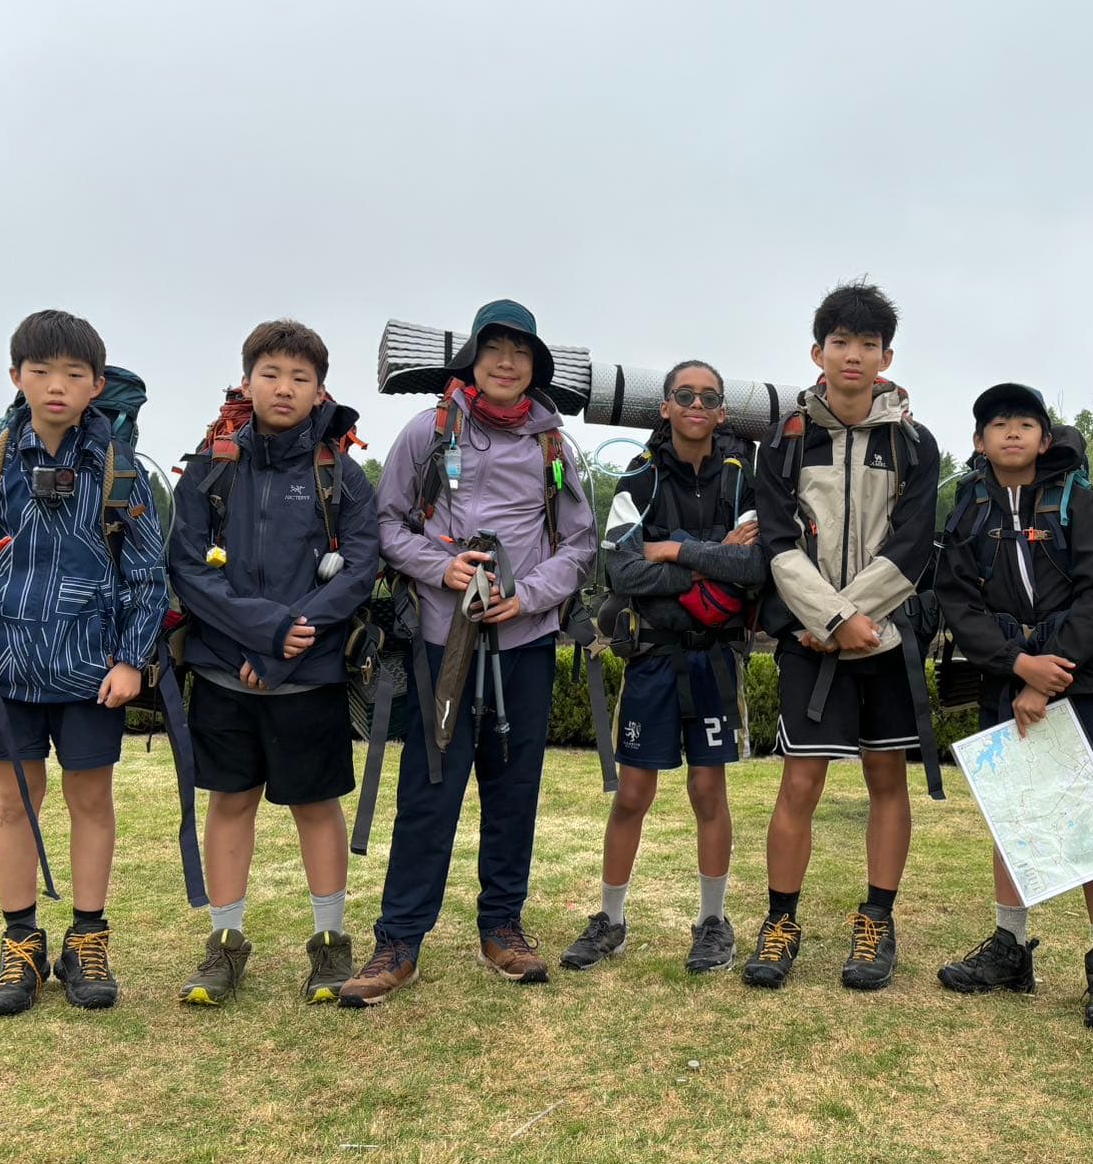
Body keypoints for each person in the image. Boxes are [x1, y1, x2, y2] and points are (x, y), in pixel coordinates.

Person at [0, 309, 167, 1015]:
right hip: (5, 669)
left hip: (92, 674)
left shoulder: (120, 472)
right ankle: (20, 943)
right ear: (16, 376)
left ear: (96, 384)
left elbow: (148, 576)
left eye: (74, 374)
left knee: (91, 802)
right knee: (14, 800)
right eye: (42, 371)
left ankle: (87, 939)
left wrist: (133, 659)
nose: (57, 386)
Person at [340, 299, 596, 1002]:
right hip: (438, 640)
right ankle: (397, 941)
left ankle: (501, 928)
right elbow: (385, 522)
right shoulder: (427, 431)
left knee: (513, 793)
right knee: (429, 792)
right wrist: (437, 567)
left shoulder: (554, 447)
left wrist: (533, 594)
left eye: (519, 351)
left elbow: (578, 543)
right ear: (474, 359)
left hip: (525, 640)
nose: (506, 362)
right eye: (494, 349)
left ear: (533, 365)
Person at [167, 319, 380, 1006]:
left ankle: (329, 946)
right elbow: (189, 569)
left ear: (321, 392)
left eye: (300, 377)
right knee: (230, 803)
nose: (283, 388)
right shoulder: (210, 467)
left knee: (316, 806)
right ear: (246, 380)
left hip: (309, 675)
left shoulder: (338, 473)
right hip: (226, 670)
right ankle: (225, 945)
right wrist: (265, 634)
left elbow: (360, 568)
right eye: (270, 373)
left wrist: (294, 642)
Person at [745, 282, 940, 992]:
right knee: (800, 781)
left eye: (866, 344)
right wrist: (828, 622)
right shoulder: (786, 439)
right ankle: (779, 921)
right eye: (839, 342)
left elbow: (914, 546)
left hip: (886, 641)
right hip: (811, 641)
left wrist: (852, 621)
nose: (851, 355)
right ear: (816, 351)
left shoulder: (914, 442)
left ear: (886, 356)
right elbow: (776, 541)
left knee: (887, 780)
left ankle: (876, 922)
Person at [932, 383, 1093, 1029]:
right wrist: (1017, 666)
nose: (1012, 433)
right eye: (998, 425)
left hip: (1077, 679)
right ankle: (1008, 947)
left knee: (1088, 820)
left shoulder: (1078, 502)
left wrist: (1044, 677)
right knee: (1011, 815)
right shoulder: (967, 513)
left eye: (1025, 423)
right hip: (1005, 679)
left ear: (1044, 439)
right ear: (978, 442)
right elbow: (957, 604)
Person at [560, 360, 765, 976]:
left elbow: (756, 569)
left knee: (709, 790)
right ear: (666, 408)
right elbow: (621, 570)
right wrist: (711, 560)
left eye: (709, 396)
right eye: (685, 394)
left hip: (716, 657)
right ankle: (611, 921)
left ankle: (712, 922)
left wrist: (673, 547)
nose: (697, 404)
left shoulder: (743, 482)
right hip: (650, 655)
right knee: (632, 793)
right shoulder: (639, 478)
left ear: (723, 411)